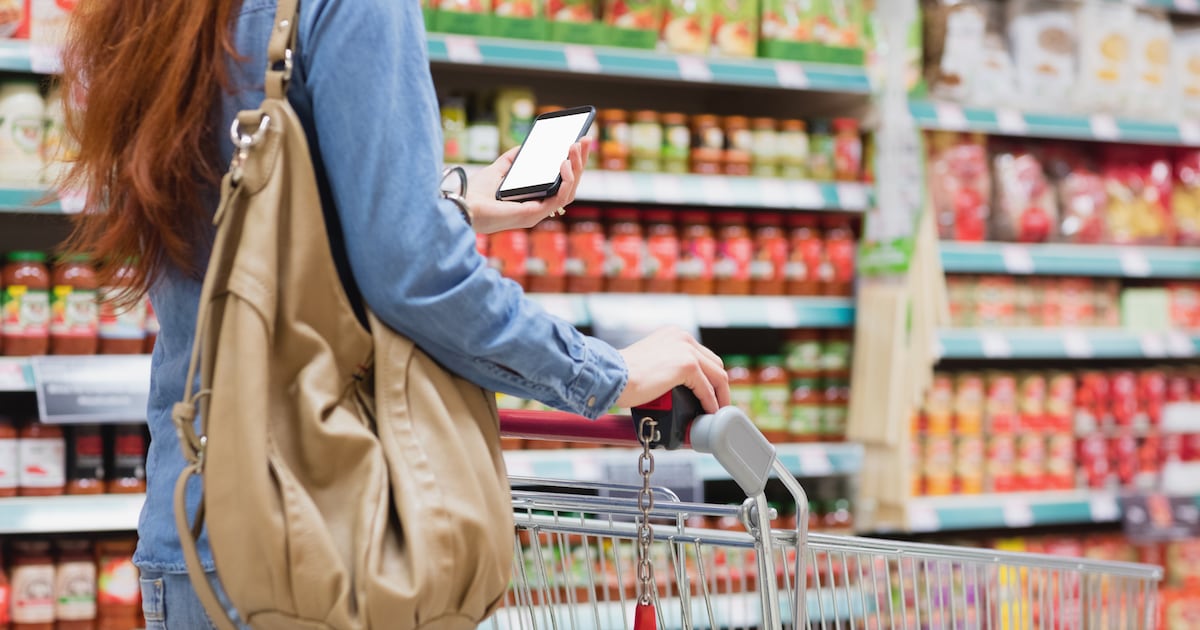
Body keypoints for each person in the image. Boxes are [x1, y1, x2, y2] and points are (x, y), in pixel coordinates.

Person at [58, 0, 730, 626]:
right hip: (322, 548)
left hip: (193, 534)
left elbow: (252, 218)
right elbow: (416, 277)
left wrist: (455, 198)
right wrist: (607, 372)